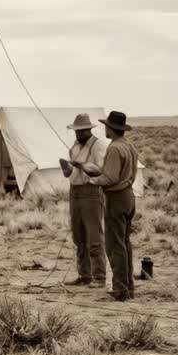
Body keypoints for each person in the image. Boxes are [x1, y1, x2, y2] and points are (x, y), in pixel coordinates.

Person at [76, 111, 139, 301]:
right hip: (128, 196)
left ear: (111, 129)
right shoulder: (129, 147)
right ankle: (128, 286)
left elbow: (110, 177)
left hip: (116, 199)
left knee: (114, 246)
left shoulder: (114, 148)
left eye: (106, 126)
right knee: (125, 243)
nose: (105, 128)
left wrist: (92, 179)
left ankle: (120, 288)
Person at [58, 113, 107, 288]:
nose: (78, 134)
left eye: (81, 131)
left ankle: (99, 276)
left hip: (91, 191)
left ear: (88, 130)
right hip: (75, 191)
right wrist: (66, 167)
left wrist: (80, 165)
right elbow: (69, 174)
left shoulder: (98, 145)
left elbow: (99, 170)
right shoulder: (75, 147)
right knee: (78, 236)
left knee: (94, 236)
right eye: (76, 131)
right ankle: (84, 274)